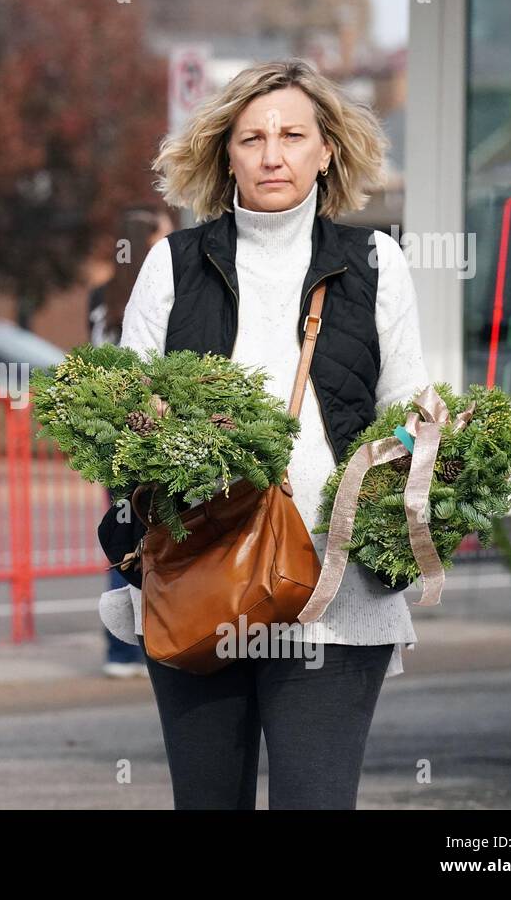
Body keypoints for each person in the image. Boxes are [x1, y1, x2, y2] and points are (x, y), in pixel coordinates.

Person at [106, 59, 429, 809]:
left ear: (327, 151)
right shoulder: (172, 265)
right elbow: (122, 417)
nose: (273, 154)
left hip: (334, 591)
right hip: (199, 578)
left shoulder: (376, 262)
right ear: (226, 154)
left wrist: (411, 487)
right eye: (252, 138)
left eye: (292, 135)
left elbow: (404, 409)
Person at [89, 209, 172, 678]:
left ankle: (121, 648)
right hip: (145, 435)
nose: (173, 237)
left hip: (111, 438)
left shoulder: (100, 296)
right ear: (148, 240)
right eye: (164, 232)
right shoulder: (156, 293)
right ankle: (140, 644)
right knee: (154, 539)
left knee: (122, 536)